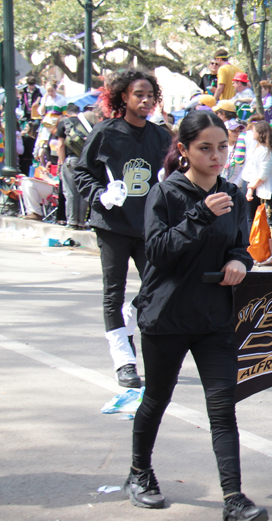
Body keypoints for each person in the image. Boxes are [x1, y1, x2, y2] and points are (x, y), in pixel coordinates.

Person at [127, 109, 267, 521]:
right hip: (166, 316)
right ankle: (139, 473)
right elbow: (158, 252)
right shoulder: (166, 194)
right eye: (205, 148)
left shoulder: (233, 193)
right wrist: (201, 215)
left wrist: (240, 262)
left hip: (215, 317)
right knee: (157, 397)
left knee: (223, 408)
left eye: (223, 147)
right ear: (184, 150)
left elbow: (241, 247)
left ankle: (234, 501)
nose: (217, 156)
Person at [75, 69, 171, 388]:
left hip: (149, 227)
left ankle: (126, 328)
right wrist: (101, 195)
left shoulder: (161, 136)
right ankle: (124, 361)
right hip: (113, 225)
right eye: (138, 94)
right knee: (113, 292)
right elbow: (81, 173)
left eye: (149, 95)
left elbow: (175, 175)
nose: (144, 100)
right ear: (123, 97)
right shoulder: (105, 132)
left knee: (157, 289)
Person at [57, 103, 100, 230]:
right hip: (86, 160)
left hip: (72, 160)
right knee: (83, 192)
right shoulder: (88, 124)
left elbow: (60, 145)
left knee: (70, 192)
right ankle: (81, 222)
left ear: (67, 113)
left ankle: (72, 221)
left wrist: (62, 162)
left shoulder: (65, 122)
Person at [246, 121, 272, 262]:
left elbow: (263, 175)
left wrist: (251, 187)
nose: (252, 133)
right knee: (269, 221)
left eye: (254, 131)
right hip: (265, 191)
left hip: (269, 192)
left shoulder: (264, 151)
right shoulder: (262, 149)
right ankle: (270, 252)